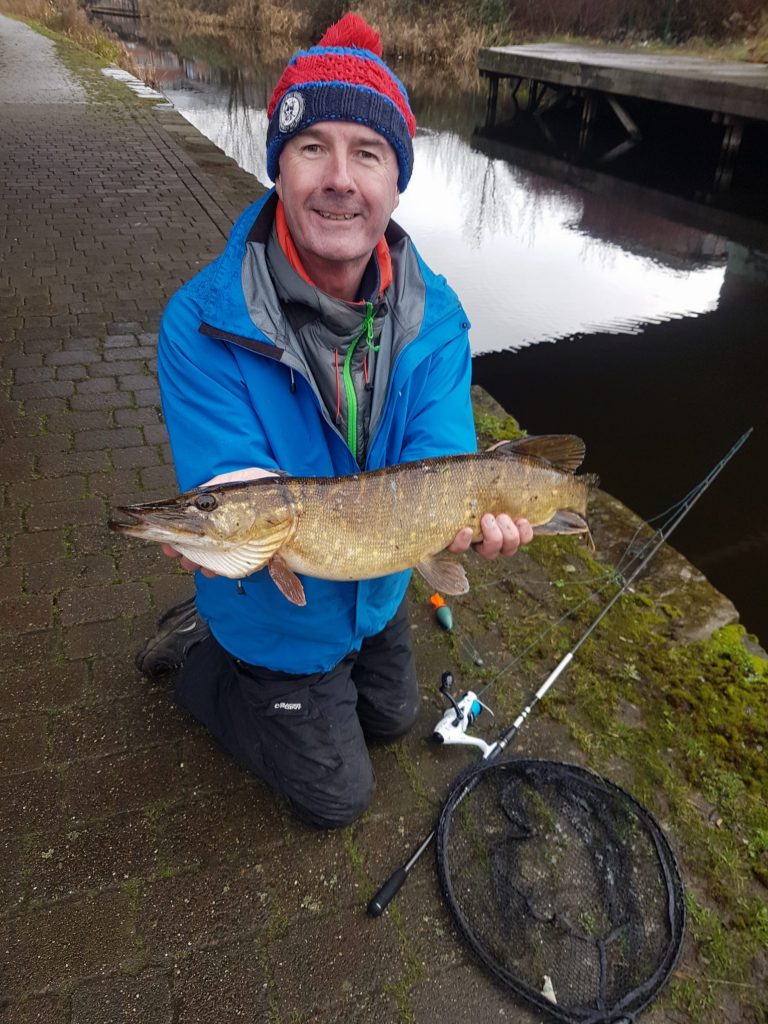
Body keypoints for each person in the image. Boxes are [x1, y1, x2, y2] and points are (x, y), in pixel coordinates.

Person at [137, 13, 533, 829]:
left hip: (377, 588)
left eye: (369, 152)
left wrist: (474, 522)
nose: (339, 178)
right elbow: (230, 485)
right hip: (271, 612)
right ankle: (200, 660)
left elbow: (442, 457)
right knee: (338, 800)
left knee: (390, 722)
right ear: (278, 164)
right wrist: (218, 527)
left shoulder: (439, 317)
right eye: (312, 146)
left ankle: (320, 653)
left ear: (397, 180)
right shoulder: (199, 324)